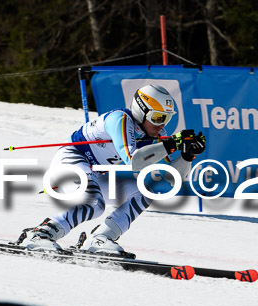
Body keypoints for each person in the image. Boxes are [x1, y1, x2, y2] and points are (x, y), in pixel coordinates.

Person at [19, 84, 205, 255]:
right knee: (94, 204)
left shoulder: (158, 135)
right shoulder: (120, 119)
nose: (162, 124)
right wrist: (171, 144)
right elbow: (134, 161)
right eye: (157, 117)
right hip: (71, 161)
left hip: (96, 174)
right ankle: (41, 233)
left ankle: (100, 238)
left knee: (146, 191)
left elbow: (173, 178)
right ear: (141, 112)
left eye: (167, 118)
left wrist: (187, 156)